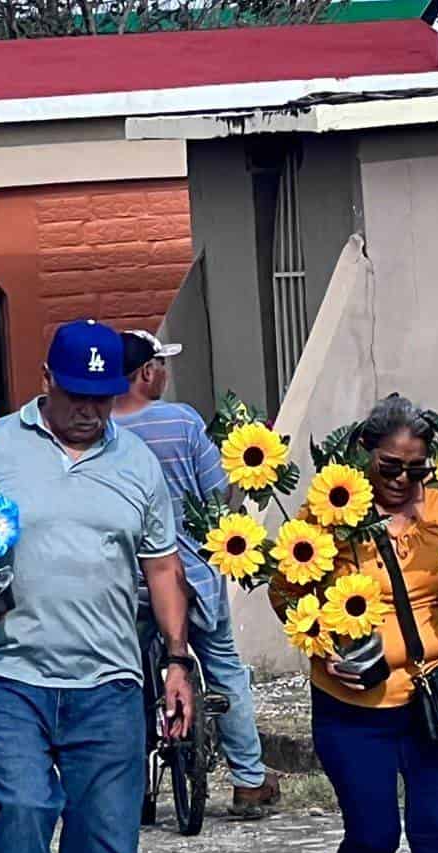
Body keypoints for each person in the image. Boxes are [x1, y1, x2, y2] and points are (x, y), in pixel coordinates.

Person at [0, 320, 196, 853]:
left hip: (109, 675)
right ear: (46, 381)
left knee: (107, 825)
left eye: (105, 396)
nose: (92, 410)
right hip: (9, 670)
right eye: (79, 395)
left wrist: (177, 661)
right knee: (24, 808)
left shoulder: (137, 465)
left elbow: (161, 567)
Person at [269, 394, 438, 853]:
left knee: (436, 833)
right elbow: (286, 593)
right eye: (391, 467)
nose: (403, 481)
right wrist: (321, 647)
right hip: (353, 702)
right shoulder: (326, 514)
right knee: (375, 833)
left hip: (434, 697)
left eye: (416, 469)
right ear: (365, 455)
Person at [114, 330, 281, 820]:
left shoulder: (103, 432)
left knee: (129, 679)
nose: (166, 374)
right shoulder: (182, 423)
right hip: (188, 574)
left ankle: (135, 787)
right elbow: (216, 495)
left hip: (126, 581)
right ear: (147, 372)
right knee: (224, 666)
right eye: (161, 365)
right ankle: (249, 780)